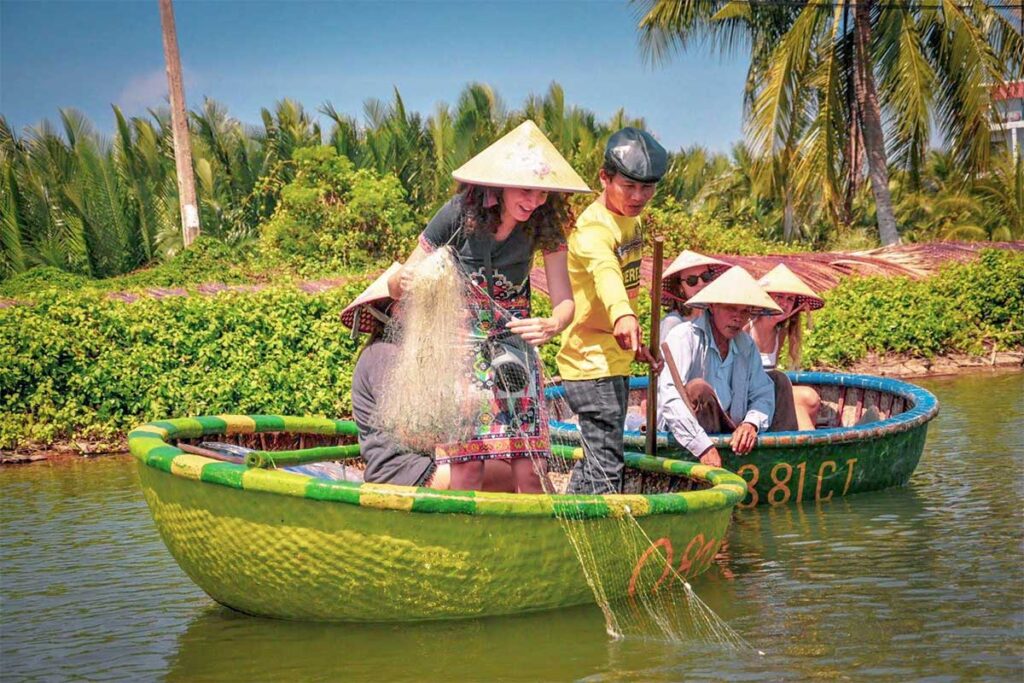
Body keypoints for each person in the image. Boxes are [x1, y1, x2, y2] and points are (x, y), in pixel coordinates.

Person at [387, 120, 589, 493]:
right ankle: (465, 547)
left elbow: (565, 302)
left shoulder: (545, 223)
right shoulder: (457, 213)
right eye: (526, 190)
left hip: (515, 353)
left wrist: (551, 324)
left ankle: (533, 547)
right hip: (459, 354)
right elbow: (398, 282)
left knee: (531, 470)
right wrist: (407, 281)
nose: (534, 202)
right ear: (500, 182)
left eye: (544, 193)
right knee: (467, 471)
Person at [556, 127, 667, 494]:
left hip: (610, 360)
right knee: (606, 470)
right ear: (605, 177)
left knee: (595, 464)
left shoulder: (629, 219)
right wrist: (623, 314)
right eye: (628, 186)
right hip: (592, 366)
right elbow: (606, 273)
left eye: (647, 188)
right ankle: (602, 544)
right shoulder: (592, 230)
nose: (638, 197)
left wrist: (632, 342)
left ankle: (564, 530)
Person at [341, 264, 513, 491]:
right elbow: (409, 432)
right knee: (514, 475)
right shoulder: (385, 353)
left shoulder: (409, 354)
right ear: (395, 309)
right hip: (403, 470)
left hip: (422, 462)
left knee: (509, 464)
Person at [657, 266, 795, 468]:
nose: (738, 318)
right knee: (698, 389)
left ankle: (783, 463)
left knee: (777, 380)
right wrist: (702, 447)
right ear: (713, 306)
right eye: (731, 309)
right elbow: (670, 399)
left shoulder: (745, 344)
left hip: (733, 428)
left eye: (744, 311)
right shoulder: (683, 336)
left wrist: (751, 423)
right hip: (692, 436)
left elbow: (762, 393)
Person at [749, 263, 824, 431]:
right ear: (766, 297)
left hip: (768, 391)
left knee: (810, 398)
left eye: (790, 299)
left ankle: (806, 441)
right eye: (779, 297)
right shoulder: (747, 327)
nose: (784, 303)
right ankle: (810, 444)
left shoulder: (779, 333)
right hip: (748, 395)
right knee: (803, 399)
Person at [660, 250, 730, 340]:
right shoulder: (673, 322)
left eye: (706, 276)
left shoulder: (713, 318)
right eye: (692, 280)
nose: (701, 283)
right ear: (680, 287)